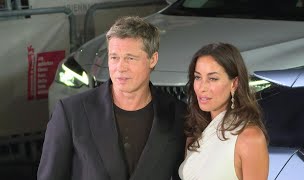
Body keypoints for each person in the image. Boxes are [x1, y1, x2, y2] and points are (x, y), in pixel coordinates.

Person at [37, 16, 186, 180]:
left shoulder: (178, 115)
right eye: (114, 57)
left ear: (152, 59)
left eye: (130, 58)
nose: (120, 68)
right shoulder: (71, 113)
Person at [178, 42, 269, 180]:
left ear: (234, 83)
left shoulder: (250, 138)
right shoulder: (195, 134)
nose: (202, 87)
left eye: (212, 79)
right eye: (197, 77)